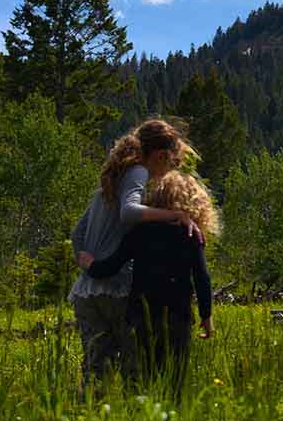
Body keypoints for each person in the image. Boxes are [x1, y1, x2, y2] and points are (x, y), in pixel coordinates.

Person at [69, 119, 201, 386]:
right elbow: (129, 212)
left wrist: (87, 263)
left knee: (96, 370)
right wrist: (175, 215)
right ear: (160, 155)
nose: (170, 170)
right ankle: (138, 411)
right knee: (135, 367)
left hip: (87, 291)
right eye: (172, 162)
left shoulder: (112, 179)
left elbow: (77, 233)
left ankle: (89, 412)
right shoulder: (138, 171)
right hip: (117, 289)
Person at [79, 167, 217, 393]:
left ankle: (141, 410)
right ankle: (172, 411)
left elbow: (111, 266)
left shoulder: (140, 232)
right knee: (175, 378)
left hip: (142, 316)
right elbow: (202, 278)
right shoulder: (191, 234)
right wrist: (206, 316)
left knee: (144, 375)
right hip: (177, 316)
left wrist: (89, 264)